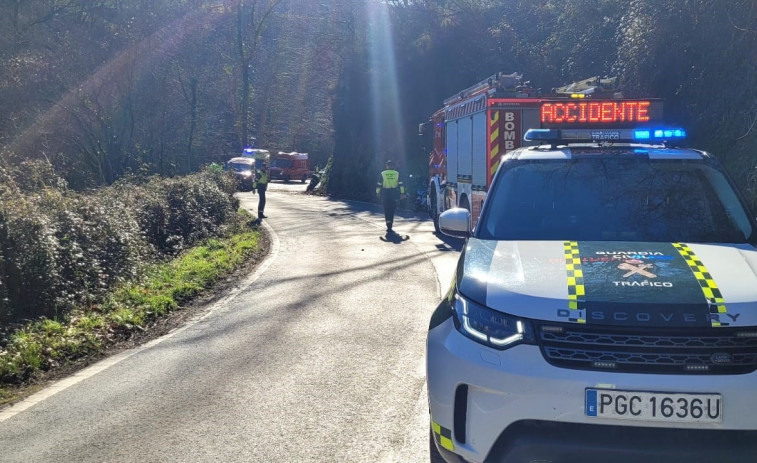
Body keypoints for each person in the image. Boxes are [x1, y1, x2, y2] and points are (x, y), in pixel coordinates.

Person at [376, 160, 405, 234]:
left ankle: (388, 224)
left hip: (385, 192)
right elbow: (401, 184)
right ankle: (390, 224)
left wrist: (378, 192)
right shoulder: (397, 174)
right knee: (392, 208)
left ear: (386, 166)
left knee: (386, 208)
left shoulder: (383, 173)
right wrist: (402, 193)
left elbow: (379, 184)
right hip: (394, 193)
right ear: (393, 166)